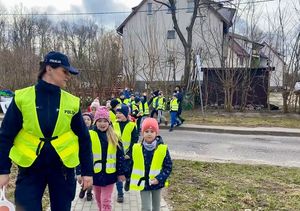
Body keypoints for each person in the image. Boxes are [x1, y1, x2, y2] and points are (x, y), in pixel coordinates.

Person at [0, 51, 93, 211]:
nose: (68, 76)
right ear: (49, 69)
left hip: (62, 169)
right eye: (64, 71)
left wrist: (87, 172)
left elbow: (84, 139)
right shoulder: (22, 98)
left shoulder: (72, 102)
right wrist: (3, 170)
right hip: (30, 168)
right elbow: (5, 136)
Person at [78, 107, 126, 210]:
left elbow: (120, 156)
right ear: (95, 122)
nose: (102, 123)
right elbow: (82, 155)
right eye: (99, 121)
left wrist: (121, 172)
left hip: (110, 175)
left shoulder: (115, 136)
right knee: (98, 199)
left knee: (106, 201)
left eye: (105, 121)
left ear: (109, 122)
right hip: (95, 174)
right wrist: (81, 172)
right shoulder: (89, 135)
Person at [129, 118, 172, 211]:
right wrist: (127, 178)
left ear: (156, 133)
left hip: (157, 183)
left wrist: (159, 178)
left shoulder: (162, 148)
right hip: (143, 183)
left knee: (156, 208)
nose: (149, 133)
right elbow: (131, 164)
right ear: (142, 133)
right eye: (146, 131)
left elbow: (168, 167)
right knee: (146, 208)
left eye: (152, 131)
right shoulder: (136, 148)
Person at [113, 104, 138, 203]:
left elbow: (134, 140)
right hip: (116, 154)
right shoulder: (113, 124)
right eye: (117, 113)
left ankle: (128, 180)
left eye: (120, 113)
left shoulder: (132, 125)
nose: (118, 114)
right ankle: (120, 193)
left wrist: (130, 153)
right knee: (118, 174)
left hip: (128, 154)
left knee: (127, 171)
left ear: (125, 114)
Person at [78, 112, 94, 201]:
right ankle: (83, 188)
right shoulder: (77, 132)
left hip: (90, 158)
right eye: (84, 119)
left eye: (88, 119)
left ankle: (88, 192)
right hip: (80, 158)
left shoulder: (94, 132)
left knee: (90, 177)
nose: (86, 121)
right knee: (81, 178)